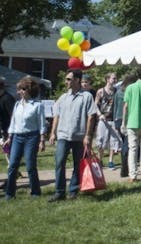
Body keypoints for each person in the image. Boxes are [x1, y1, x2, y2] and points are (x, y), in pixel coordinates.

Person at [48, 68, 98, 202]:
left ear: (77, 80)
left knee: (78, 164)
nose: (66, 81)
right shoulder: (63, 97)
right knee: (59, 163)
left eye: (69, 79)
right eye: (66, 79)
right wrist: (53, 133)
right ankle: (59, 192)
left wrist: (88, 136)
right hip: (63, 135)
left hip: (79, 136)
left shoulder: (86, 96)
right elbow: (56, 116)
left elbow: (91, 116)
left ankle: (73, 190)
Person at [3, 76, 47, 199]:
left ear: (29, 90)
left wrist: (42, 140)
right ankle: (10, 193)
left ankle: (35, 192)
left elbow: (42, 124)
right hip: (17, 136)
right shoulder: (17, 104)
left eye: (22, 89)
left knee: (30, 166)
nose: (19, 92)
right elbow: (13, 122)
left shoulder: (37, 106)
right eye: (19, 89)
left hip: (31, 137)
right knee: (12, 165)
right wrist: (9, 136)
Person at [94, 72, 120, 169]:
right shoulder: (100, 91)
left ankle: (110, 161)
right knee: (101, 140)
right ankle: (100, 159)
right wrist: (99, 114)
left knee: (113, 140)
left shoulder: (116, 91)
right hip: (103, 119)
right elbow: (95, 104)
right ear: (108, 79)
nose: (115, 80)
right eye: (113, 78)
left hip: (113, 118)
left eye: (115, 78)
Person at [114, 73, 137, 178]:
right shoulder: (130, 92)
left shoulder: (118, 92)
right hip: (127, 120)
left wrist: (115, 121)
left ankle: (125, 168)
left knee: (124, 142)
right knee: (127, 145)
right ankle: (125, 169)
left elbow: (115, 106)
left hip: (118, 119)